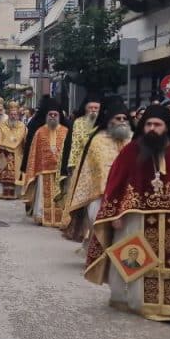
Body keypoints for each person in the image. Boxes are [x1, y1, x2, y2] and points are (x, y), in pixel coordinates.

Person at [83, 104, 170, 324]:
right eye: (148, 124)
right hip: (136, 217)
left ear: (167, 127)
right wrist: (114, 213)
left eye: (158, 124)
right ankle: (130, 299)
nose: (152, 129)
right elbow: (115, 183)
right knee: (135, 258)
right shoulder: (131, 150)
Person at [61, 96, 133, 243]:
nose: (121, 122)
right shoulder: (98, 140)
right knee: (100, 230)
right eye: (117, 118)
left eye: (124, 118)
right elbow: (99, 170)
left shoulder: (132, 139)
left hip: (128, 195)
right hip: (99, 194)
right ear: (109, 120)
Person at [23, 97, 69, 227]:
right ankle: (42, 216)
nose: (53, 117)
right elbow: (34, 154)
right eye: (51, 114)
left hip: (60, 172)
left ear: (59, 116)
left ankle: (59, 219)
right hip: (44, 171)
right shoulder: (40, 132)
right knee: (43, 196)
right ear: (46, 116)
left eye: (55, 114)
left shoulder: (65, 132)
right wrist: (33, 171)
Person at [0, 102, 28, 199]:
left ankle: (15, 194)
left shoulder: (22, 126)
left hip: (17, 154)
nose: (13, 116)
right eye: (11, 114)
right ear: (8, 114)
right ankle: (3, 193)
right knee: (3, 174)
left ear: (18, 115)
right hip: (4, 154)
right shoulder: (2, 126)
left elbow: (24, 140)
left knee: (15, 175)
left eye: (15, 114)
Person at [61, 97, 101, 182]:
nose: (93, 110)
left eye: (96, 108)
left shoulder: (103, 122)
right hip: (81, 162)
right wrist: (72, 163)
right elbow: (74, 144)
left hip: (99, 163)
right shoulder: (78, 122)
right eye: (90, 108)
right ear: (85, 109)